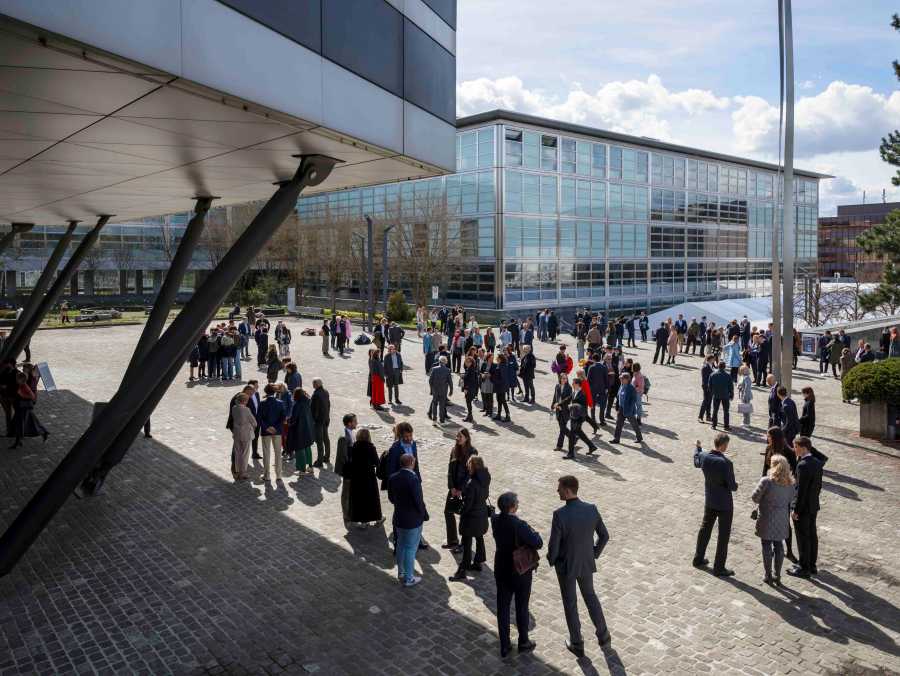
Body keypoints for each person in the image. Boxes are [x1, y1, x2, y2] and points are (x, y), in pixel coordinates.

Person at [547, 475, 612, 655]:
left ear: (567, 491)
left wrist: (551, 560)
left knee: (570, 603)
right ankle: (604, 635)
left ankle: (577, 642)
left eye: (559, 487)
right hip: (585, 562)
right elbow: (604, 536)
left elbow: (554, 545)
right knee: (591, 597)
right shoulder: (591, 509)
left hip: (566, 566)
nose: (557, 490)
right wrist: (593, 553)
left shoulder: (559, 515)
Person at [491, 491, 543, 657]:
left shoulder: (496, 520)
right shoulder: (519, 525)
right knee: (522, 606)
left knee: (503, 607)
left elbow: (493, 517)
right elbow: (538, 542)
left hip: (501, 567)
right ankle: (523, 641)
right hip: (519, 571)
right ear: (513, 507)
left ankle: (505, 645)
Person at [692, 433, 738, 577]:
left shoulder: (705, 456)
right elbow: (732, 486)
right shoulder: (726, 463)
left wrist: (698, 448)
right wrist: (737, 484)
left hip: (710, 500)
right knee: (723, 536)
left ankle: (698, 558)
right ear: (724, 446)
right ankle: (719, 568)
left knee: (705, 529)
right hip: (724, 505)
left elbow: (696, 460)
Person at [751, 454, 795, 585]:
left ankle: (768, 574)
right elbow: (790, 499)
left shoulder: (766, 481)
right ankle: (778, 575)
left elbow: (755, 497)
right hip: (782, 518)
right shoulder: (791, 483)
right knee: (779, 545)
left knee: (766, 545)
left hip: (767, 517)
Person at [388, 453, 429, 587]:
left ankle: (401, 572)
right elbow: (418, 500)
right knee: (411, 549)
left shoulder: (393, 478)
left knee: (400, 545)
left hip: (399, 518)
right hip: (412, 520)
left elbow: (391, 498)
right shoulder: (413, 479)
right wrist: (424, 514)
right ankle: (409, 578)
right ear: (411, 463)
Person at [788, 437, 827, 578]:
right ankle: (812, 565)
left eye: (796, 447)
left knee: (802, 537)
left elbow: (801, 490)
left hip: (803, 508)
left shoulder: (803, 465)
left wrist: (795, 510)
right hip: (813, 505)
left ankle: (804, 568)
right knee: (812, 535)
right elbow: (818, 486)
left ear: (804, 448)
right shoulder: (817, 463)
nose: (794, 449)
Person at [449, 455, 491, 581]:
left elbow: (468, 504)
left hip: (471, 517)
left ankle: (463, 569)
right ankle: (478, 562)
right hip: (482, 514)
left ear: (472, 466)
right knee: (479, 537)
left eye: (469, 465)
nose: (467, 467)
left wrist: (460, 509)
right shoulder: (486, 477)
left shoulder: (471, 483)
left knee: (467, 542)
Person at [443, 429, 477, 551]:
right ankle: (452, 541)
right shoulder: (454, 450)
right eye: (457, 436)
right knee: (448, 512)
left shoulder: (473, 452)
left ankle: (463, 544)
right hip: (453, 488)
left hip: (465, 490)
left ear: (466, 438)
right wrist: (451, 487)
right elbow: (450, 470)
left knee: (464, 516)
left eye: (460, 436)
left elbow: (471, 474)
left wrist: (461, 489)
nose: (457, 438)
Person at [346, 428, 383, 528]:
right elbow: (376, 462)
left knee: (359, 499)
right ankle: (378, 518)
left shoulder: (354, 447)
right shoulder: (371, 447)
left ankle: (363, 522)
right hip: (368, 477)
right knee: (372, 499)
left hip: (356, 477)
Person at [9, 371, 47, 449]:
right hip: (21, 408)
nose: (16, 380)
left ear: (22, 380)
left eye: (18, 379)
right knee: (31, 423)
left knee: (20, 424)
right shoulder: (20, 385)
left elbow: (32, 396)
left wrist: (22, 395)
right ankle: (43, 433)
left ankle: (17, 442)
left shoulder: (25, 386)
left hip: (23, 409)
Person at [258, 384, 285, 481]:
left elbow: (259, 418)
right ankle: (278, 475)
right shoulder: (280, 403)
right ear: (274, 392)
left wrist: (267, 428)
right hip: (277, 431)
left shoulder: (262, 403)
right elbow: (283, 418)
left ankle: (267, 475)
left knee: (266, 453)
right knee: (278, 453)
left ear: (266, 391)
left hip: (266, 431)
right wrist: (275, 427)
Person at [334, 413, 357, 527]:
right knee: (346, 493)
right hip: (348, 469)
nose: (356, 423)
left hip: (351, 468)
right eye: (354, 421)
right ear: (349, 423)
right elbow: (344, 456)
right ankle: (346, 516)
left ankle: (351, 513)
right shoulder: (344, 437)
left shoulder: (351, 433)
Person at [566, 378, 597, 458]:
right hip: (574, 416)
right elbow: (568, 399)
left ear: (577, 384)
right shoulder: (574, 392)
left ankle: (570, 453)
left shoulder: (582, 394)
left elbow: (582, 407)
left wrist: (572, 406)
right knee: (579, 433)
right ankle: (592, 446)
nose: (572, 384)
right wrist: (559, 404)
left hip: (579, 417)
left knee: (572, 434)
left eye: (573, 383)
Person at [287, 388, 315, 475]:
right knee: (307, 448)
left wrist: (288, 422)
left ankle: (301, 469)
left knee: (299, 449)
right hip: (308, 429)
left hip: (299, 430)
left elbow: (294, 419)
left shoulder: (297, 405)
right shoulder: (308, 402)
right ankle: (310, 467)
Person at [229, 393, 256, 481]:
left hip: (236, 433)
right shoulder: (246, 410)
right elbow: (254, 422)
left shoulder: (234, 408)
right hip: (245, 434)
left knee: (237, 452)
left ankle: (236, 471)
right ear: (244, 401)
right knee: (245, 453)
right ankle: (243, 472)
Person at [610, 372, 643, 444]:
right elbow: (619, 396)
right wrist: (617, 406)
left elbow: (633, 400)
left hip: (628, 410)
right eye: (621, 378)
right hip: (621, 409)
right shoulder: (621, 385)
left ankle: (639, 437)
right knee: (619, 424)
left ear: (627, 379)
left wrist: (629, 410)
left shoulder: (631, 388)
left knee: (634, 424)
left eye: (622, 378)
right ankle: (616, 439)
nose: (621, 379)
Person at [310, 378, 331, 467]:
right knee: (326, 439)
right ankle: (327, 457)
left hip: (319, 421)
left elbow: (314, 410)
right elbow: (329, 405)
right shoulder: (325, 392)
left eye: (313, 384)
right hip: (325, 419)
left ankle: (320, 461)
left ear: (315, 385)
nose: (312, 385)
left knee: (319, 441)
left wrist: (313, 420)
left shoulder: (316, 395)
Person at [429, 355, 454, 424]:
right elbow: (450, 382)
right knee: (442, 406)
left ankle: (434, 420)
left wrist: (431, 389)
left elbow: (430, 380)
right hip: (443, 391)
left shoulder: (434, 369)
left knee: (434, 404)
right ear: (445, 362)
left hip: (435, 390)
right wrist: (451, 390)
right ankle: (442, 421)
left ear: (439, 361)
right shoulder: (448, 370)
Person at [551, 373, 573, 453]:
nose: (564, 380)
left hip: (565, 411)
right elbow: (555, 397)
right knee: (562, 429)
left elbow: (568, 400)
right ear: (560, 378)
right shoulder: (557, 386)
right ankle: (573, 437)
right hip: (557, 410)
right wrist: (553, 405)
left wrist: (560, 405)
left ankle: (559, 446)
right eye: (563, 378)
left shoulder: (569, 388)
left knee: (562, 429)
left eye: (565, 378)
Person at [709, 362, 733, 430]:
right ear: (724, 367)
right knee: (726, 411)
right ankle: (726, 426)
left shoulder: (713, 374)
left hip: (716, 395)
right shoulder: (728, 375)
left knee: (715, 410)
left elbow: (709, 386)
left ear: (718, 366)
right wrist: (731, 395)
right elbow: (730, 386)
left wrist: (712, 393)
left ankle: (714, 425)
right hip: (725, 396)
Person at [491, 353, 511, 422]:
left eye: (497, 358)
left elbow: (502, 378)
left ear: (500, 359)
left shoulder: (502, 366)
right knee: (499, 400)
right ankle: (499, 415)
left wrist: (493, 379)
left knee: (503, 401)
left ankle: (508, 415)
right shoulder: (500, 365)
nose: (496, 359)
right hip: (499, 386)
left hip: (501, 386)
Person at [461, 356, 479, 422]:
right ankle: (469, 416)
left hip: (470, 389)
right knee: (468, 402)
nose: (466, 363)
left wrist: (466, 388)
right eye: (466, 361)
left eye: (468, 362)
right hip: (472, 389)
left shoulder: (471, 370)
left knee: (468, 402)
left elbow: (470, 380)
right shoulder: (471, 369)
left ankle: (470, 416)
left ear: (471, 362)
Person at [698, 355, 714, 423]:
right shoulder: (705, 367)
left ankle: (708, 416)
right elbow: (705, 379)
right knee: (705, 401)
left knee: (709, 401)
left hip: (711, 387)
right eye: (713, 359)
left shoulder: (710, 365)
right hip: (706, 387)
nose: (714, 360)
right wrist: (707, 387)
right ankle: (700, 417)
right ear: (710, 359)